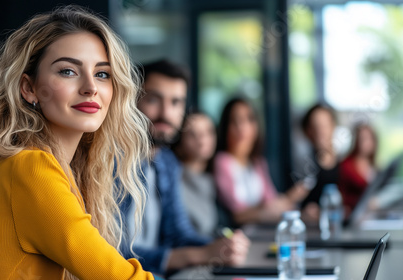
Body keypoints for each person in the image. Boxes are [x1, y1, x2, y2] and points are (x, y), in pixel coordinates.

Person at [0, 6, 160, 280]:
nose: (90, 87)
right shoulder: (30, 168)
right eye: (68, 71)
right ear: (29, 88)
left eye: (102, 74)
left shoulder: (66, 171)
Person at [122, 60, 250, 275]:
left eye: (176, 102)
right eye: (153, 99)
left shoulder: (167, 162)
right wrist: (201, 254)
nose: (166, 113)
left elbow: (178, 235)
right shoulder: (109, 162)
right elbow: (114, 253)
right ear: (130, 100)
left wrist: (223, 245)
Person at [214, 98, 307, 225]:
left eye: (248, 120)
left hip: (261, 231)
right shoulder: (222, 161)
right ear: (226, 127)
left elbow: (270, 200)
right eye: (234, 121)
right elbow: (238, 214)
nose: (241, 127)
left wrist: (302, 213)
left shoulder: (257, 163)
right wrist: (284, 200)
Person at [172, 111, 219, 237]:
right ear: (179, 141)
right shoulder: (173, 180)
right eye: (192, 134)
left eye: (209, 132)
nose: (202, 139)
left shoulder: (210, 179)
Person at [299, 104, 340, 220]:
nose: (321, 132)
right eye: (315, 127)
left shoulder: (345, 163)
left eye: (324, 126)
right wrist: (303, 212)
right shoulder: (301, 166)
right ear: (308, 132)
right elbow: (290, 202)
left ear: (333, 126)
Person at [338, 123, 378, 216]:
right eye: (362, 139)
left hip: (370, 214)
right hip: (352, 214)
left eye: (369, 139)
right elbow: (341, 194)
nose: (366, 143)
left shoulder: (374, 165)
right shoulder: (346, 165)